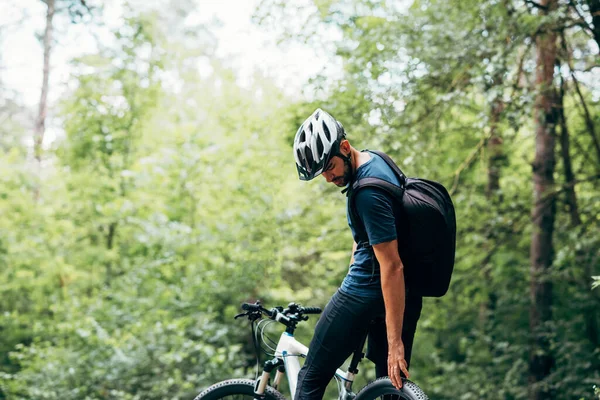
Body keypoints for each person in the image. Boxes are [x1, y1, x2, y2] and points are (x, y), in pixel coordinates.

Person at [293, 108, 423, 400]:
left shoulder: (366, 193)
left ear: (344, 147)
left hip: (366, 291)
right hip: (404, 295)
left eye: (328, 167)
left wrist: (395, 342)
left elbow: (392, 266)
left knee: (310, 379)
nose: (328, 178)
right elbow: (367, 238)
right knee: (391, 389)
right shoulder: (376, 161)